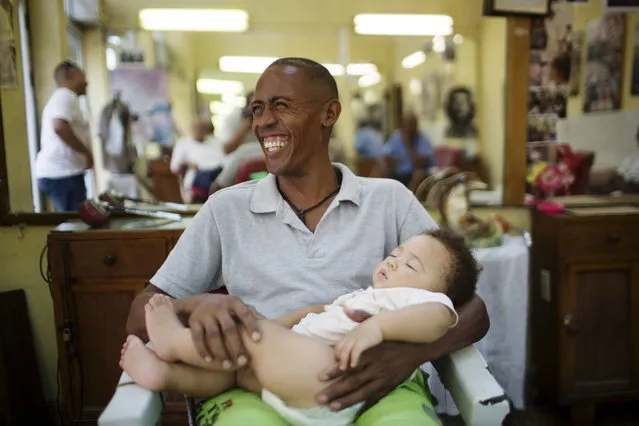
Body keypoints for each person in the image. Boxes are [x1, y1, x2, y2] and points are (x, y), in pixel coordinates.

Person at [126, 57, 489, 426]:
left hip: (378, 383)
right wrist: (194, 305)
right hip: (255, 386)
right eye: (257, 108)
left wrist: (407, 356)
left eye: (281, 105)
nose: (264, 120)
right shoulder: (226, 209)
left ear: (329, 113)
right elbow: (141, 312)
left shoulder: (388, 200)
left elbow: (471, 307)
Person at [121, 229, 479, 426]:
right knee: (231, 369)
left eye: (410, 265)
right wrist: (277, 324)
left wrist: (377, 330)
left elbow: (438, 319)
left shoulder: (423, 304)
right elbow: (311, 314)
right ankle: (165, 375)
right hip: (293, 379)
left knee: (250, 341)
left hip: (329, 375)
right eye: (396, 253)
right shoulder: (365, 296)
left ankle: (174, 341)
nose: (394, 261)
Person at [34, 61, 93, 212]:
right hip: (63, 175)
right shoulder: (66, 96)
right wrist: (86, 152)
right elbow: (59, 126)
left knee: (72, 224)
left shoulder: (64, 97)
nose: (86, 82)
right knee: (73, 226)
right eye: (83, 77)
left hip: (63, 173)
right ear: (71, 76)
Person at [169, 119, 225, 201]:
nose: (200, 131)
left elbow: (224, 158)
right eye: (197, 128)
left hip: (219, 172)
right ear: (191, 129)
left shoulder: (215, 141)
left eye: (203, 128)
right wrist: (188, 163)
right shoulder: (183, 143)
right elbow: (174, 166)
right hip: (198, 174)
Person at [379, 112, 434, 191]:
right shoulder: (396, 137)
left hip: (414, 173)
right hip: (398, 172)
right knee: (381, 167)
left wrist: (408, 144)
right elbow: (384, 155)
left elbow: (419, 164)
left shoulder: (422, 139)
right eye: (406, 125)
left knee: (418, 173)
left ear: (416, 126)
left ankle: (408, 198)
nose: (409, 128)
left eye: (411, 125)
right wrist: (387, 162)